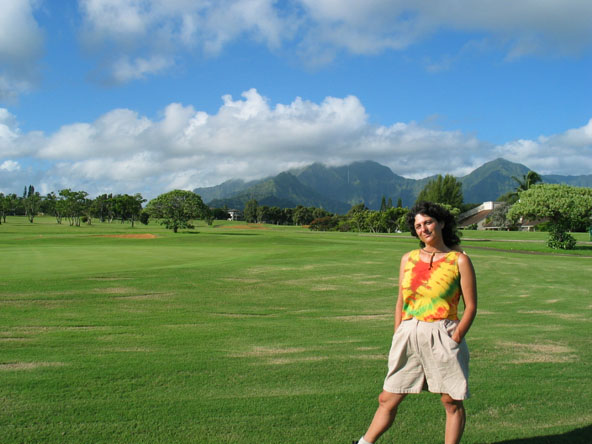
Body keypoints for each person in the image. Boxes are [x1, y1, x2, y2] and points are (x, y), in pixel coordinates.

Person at [354, 201, 477, 444]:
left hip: (443, 332)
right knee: (387, 398)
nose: (424, 229)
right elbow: (401, 299)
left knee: (450, 401)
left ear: (441, 223)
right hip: (409, 331)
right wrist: (398, 331)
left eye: (428, 222)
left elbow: (471, 305)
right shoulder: (408, 259)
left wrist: (456, 336)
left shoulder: (458, 260)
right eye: (418, 225)